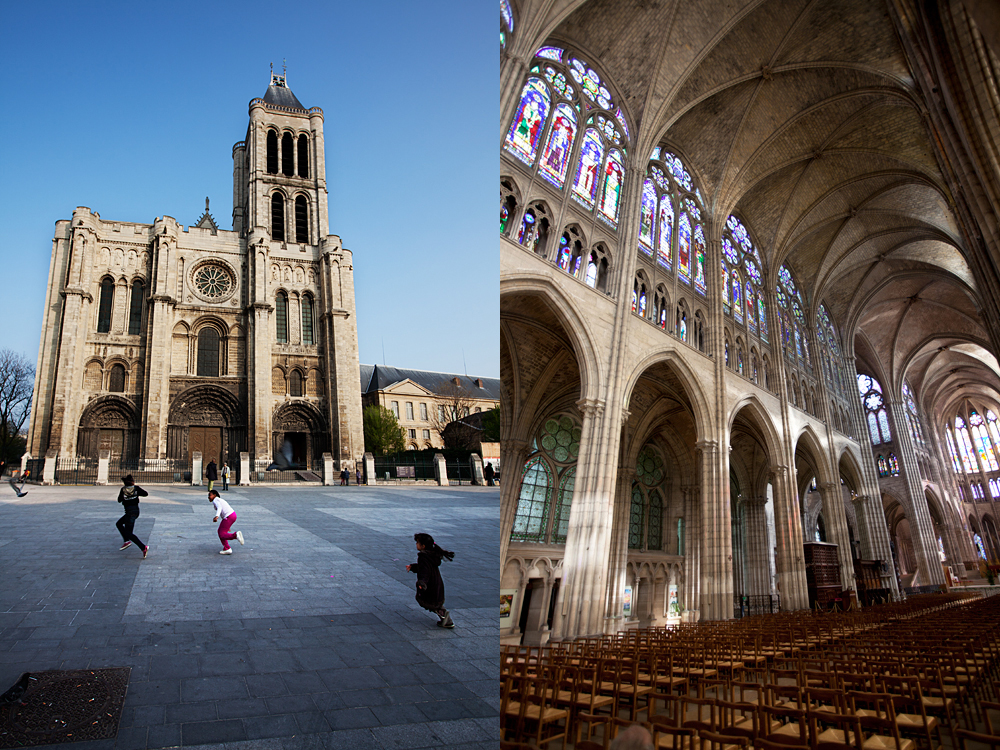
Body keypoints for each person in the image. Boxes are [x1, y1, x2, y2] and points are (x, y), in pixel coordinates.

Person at [405, 533, 455, 628]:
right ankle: (446, 619)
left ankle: (444, 616)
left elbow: (425, 571)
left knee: (428, 601)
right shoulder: (432, 555)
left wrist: (422, 582)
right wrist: (413, 567)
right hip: (436, 582)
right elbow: (424, 567)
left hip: (430, 584)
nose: (416, 544)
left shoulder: (423, 557)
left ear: (423, 546)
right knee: (435, 601)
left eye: (417, 542)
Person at [116, 475, 149, 558]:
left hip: (129, 513)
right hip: (135, 511)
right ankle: (126, 540)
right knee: (119, 524)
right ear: (132, 482)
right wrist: (136, 494)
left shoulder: (123, 490)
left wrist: (126, 497)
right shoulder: (136, 488)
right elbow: (145, 494)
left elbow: (119, 500)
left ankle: (143, 547)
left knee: (128, 532)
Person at [209, 489, 243, 555]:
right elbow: (223, 511)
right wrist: (227, 525)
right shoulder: (219, 500)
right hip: (232, 515)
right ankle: (227, 548)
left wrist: (216, 516)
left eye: (210, 495)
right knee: (221, 532)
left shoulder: (216, 500)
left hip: (229, 516)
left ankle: (235, 535)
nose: (208, 497)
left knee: (221, 533)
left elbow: (220, 508)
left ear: (214, 495)